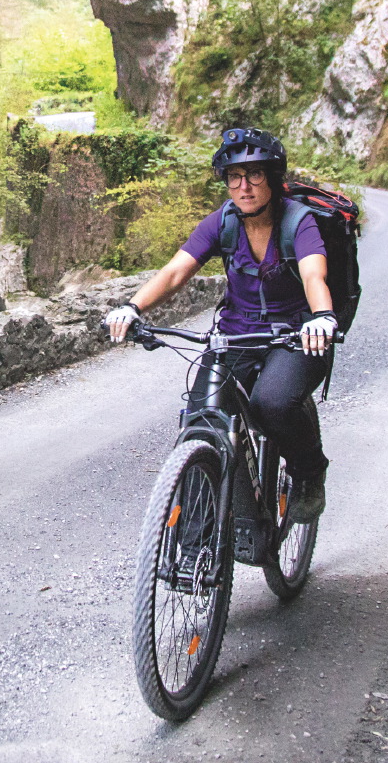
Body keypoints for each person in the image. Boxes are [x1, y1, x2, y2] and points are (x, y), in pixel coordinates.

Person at [106, 127, 336, 521]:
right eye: (234, 177)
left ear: (273, 177)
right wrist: (132, 307)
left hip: (296, 336)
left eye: (254, 175)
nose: (244, 187)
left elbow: (315, 276)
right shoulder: (222, 222)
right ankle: (198, 545)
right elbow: (176, 272)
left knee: (273, 403)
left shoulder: (299, 221)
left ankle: (309, 472)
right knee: (202, 422)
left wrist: (322, 318)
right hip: (235, 336)